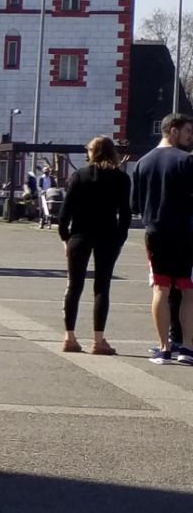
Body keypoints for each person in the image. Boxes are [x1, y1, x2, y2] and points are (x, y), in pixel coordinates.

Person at [130, 112, 193, 365]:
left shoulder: (142, 163)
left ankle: (164, 347)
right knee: (188, 291)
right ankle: (187, 347)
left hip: (155, 232)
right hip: (186, 232)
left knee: (160, 288)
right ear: (173, 130)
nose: (191, 138)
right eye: (188, 132)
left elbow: (135, 203)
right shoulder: (187, 162)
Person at [57, 136, 130, 355]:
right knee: (102, 287)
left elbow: (65, 212)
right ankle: (98, 340)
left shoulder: (79, 176)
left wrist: (65, 238)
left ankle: (69, 336)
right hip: (108, 236)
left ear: (92, 152)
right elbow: (125, 213)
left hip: (79, 235)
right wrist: (120, 238)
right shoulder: (121, 178)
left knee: (74, 285)